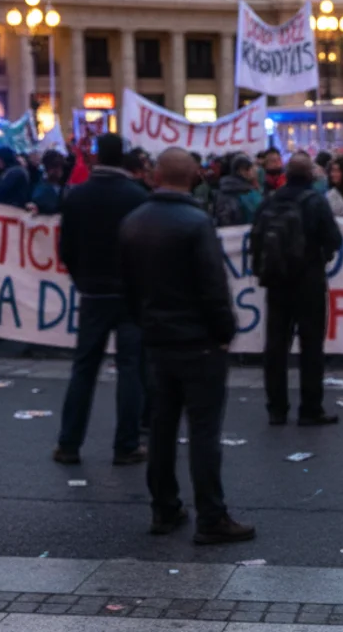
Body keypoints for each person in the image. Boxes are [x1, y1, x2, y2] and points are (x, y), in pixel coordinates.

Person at [119, 148, 255, 545]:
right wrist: (224, 332)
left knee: (161, 427)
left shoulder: (133, 222)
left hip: (157, 340)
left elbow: (127, 286)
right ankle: (210, 515)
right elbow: (213, 286)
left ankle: (164, 507)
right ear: (194, 176)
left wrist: (144, 323)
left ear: (156, 175)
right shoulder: (196, 223)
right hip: (198, 342)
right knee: (204, 431)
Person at [55, 133, 150, 466]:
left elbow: (66, 247)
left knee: (84, 368)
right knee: (130, 368)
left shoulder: (78, 196)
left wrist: (81, 278)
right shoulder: (137, 196)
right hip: (129, 293)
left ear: (96, 156)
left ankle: (69, 443)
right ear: (123, 158)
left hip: (93, 292)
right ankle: (126, 445)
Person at [250, 155, 342, 427]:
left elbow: (256, 237)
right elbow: (333, 238)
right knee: (311, 345)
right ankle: (310, 408)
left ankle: (276, 409)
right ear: (310, 176)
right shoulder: (316, 202)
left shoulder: (270, 200)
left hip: (277, 281)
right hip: (308, 280)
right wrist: (321, 255)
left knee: (276, 346)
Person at [28, 150, 67, 215]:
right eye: (55, 166)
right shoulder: (41, 191)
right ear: (47, 167)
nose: (58, 170)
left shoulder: (64, 188)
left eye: (61, 166)